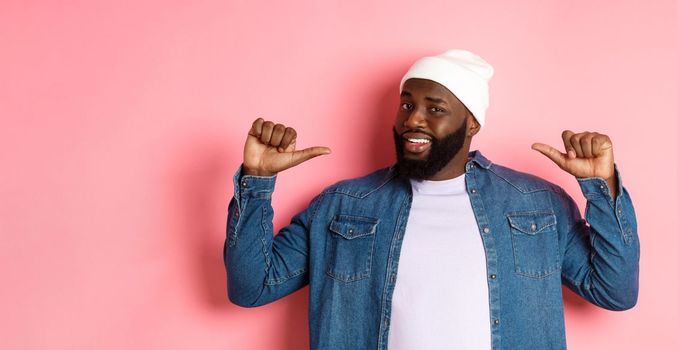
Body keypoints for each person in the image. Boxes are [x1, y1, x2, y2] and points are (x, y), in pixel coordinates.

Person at [224, 49, 639, 350]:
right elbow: (250, 288)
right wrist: (257, 181)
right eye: (407, 104)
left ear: (471, 122)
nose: (413, 119)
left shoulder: (537, 204)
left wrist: (600, 186)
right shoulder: (342, 206)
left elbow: (615, 291)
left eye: (434, 107)